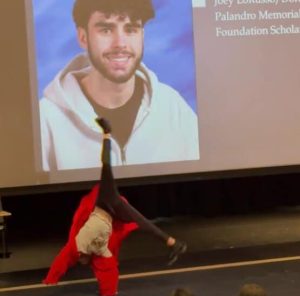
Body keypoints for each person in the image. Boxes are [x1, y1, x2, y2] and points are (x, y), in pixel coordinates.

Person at [39, 0, 199, 171]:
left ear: (142, 35)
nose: (120, 44)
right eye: (106, 30)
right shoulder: (47, 120)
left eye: (130, 29)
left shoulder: (174, 110)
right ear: (83, 38)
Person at [43, 118, 187, 296]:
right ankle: (173, 242)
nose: (82, 261)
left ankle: (107, 134)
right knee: (140, 221)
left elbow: (64, 257)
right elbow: (108, 266)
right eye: (83, 261)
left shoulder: (79, 244)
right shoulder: (99, 250)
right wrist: (109, 291)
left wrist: (51, 277)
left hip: (104, 201)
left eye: (80, 260)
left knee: (106, 168)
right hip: (114, 211)